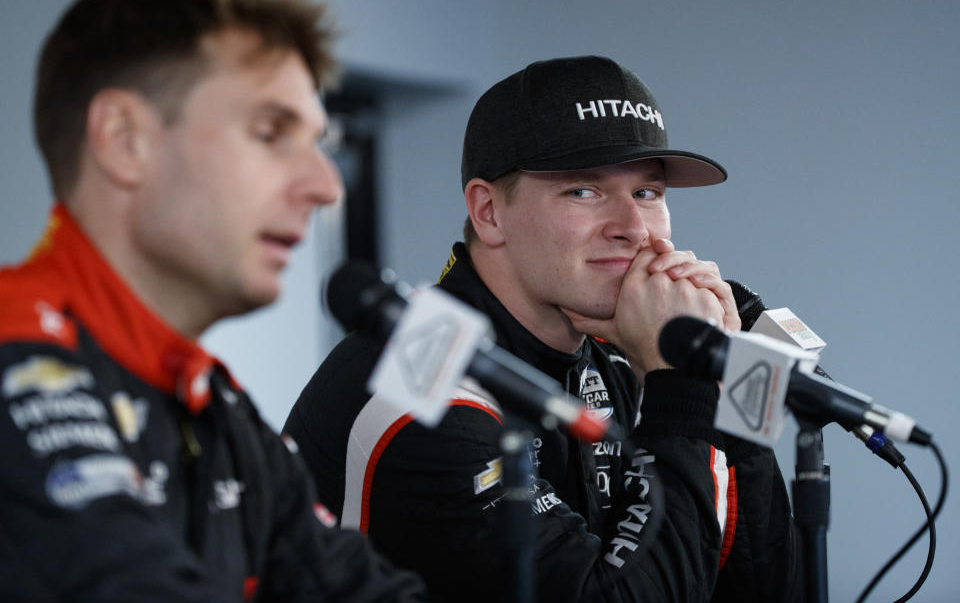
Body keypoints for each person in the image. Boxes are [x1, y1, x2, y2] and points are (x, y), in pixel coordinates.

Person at [285, 55, 802, 602]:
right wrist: (682, 391)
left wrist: (720, 395)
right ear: (488, 212)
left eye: (647, 193)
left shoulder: (623, 350)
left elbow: (766, 587)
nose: (632, 228)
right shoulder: (419, 386)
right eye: (584, 191)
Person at [0, 0, 428, 602]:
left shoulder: (212, 404)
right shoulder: (18, 362)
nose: (325, 186)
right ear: (125, 142)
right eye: (270, 133)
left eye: (316, 142)